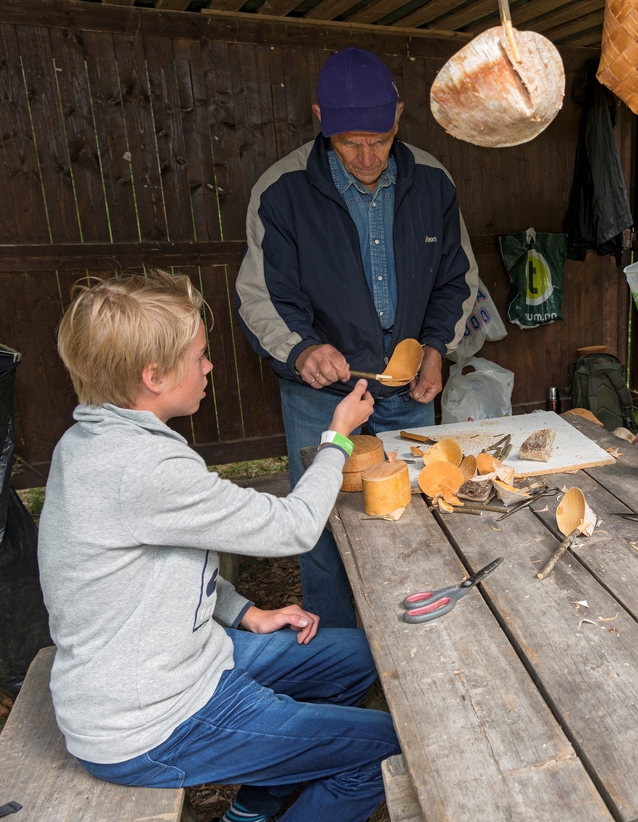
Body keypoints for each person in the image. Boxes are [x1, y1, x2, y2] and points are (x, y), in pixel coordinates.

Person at [38, 271, 401, 822]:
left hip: (182, 665)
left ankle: (252, 808)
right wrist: (339, 437)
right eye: (201, 355)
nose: (209, 366)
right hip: (152, 721)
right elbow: (295, 527)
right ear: (153, 376)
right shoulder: (144, 467)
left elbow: (164, 558)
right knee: (392, 748)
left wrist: (243, 611)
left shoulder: (91, 438)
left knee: (353, 660)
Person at [236, 46, 479, 628]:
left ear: (398, 115)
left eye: (379, 139)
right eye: (350, 144)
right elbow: (261, 298)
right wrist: (302, 350)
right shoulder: (282, 192)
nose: (367, 157)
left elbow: (458, 280)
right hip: (321, 395)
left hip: (409, 391)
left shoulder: (432, 183)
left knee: (418, 512)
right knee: (323, 522)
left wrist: (435, 351)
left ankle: (415, 636)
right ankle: (340, 652)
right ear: (321, 119)